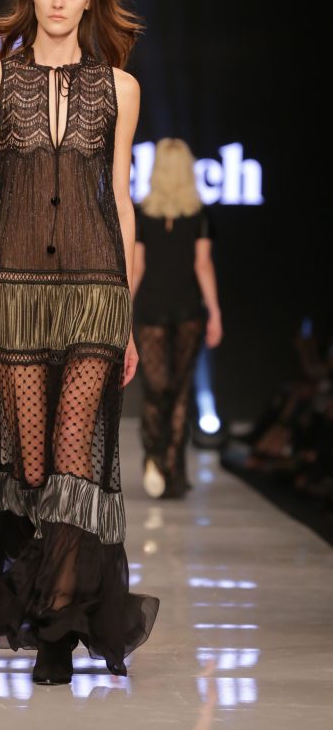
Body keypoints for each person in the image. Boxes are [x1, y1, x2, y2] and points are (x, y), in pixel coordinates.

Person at [0, 0, 159, 685]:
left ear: (91, 2)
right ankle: (37, 596)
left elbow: (119, 199)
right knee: (30, 466)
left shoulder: (119, 89)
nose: (58, 2)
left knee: (71, 456)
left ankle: (58, 625)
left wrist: (126, 312)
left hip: (94, 291)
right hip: (15, 291)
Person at [131, 138, 223, 500]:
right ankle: (171, 469)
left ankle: (157, 459)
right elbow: (202, 265)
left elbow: (137, 268)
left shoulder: (143, 214)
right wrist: (214, 311)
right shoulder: (199, 215)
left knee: (157, 390)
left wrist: (122, 310)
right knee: (179, 391)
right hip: (186, 310)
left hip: (152, 309)